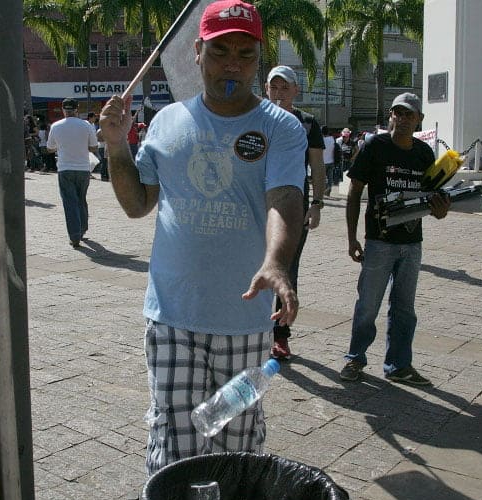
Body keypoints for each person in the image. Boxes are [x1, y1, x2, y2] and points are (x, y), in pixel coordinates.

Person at [99, 0, 306, 475]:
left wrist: (276, 261)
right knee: (174, 440)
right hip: (172, 314)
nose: (233, 63)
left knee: (237, 442)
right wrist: (116, 145)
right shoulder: (168, 122)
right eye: (220, 51)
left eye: (245, 53)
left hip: (243, 319)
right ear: (197, 51)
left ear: (258, 55)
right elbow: (136, 204)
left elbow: (284, 199)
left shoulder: (281, 128)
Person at [340, 92, 450, 387]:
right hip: (379, 242)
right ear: (390, 116)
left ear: (419, 121)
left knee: (405, 309)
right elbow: (354, 193)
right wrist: (352, 239)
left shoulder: (424, 154)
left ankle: (399, 366)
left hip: (412, 244)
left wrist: (440, 210)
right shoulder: (375, 146)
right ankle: (355, 358)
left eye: (408, 115)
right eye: (396, 113)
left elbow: (431, 199)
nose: (400, 120)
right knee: (368, 306)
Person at [264, 65, 325, 360]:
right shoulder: (257, 118)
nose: (279, 93)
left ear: (296, 90)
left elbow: (317, 167)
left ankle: (280, 336)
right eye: (274, 87)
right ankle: (251, 329)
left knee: (286, 269)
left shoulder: (308, 123)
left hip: (293, 206)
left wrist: (317, 204)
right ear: (266, 90)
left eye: (285, 88)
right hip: (258, 204)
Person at [46, 97, 99, 248]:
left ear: (64, 110)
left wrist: (61, 146)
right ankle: (82, 229)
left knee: (70, 202)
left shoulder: (56, 126)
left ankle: (75, 236)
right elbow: (94, 147)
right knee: (81, 199)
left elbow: (50, 148)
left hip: (65, 168)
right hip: (83, 168)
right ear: (77, 109)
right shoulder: (86, 125)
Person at [322, 126, 336, 195]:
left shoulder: (321, 140)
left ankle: (325, 190)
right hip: (331, 160)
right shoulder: (332, 139)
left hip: (323, 161)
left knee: (323, 177)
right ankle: (329, 189)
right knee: (330, 177)